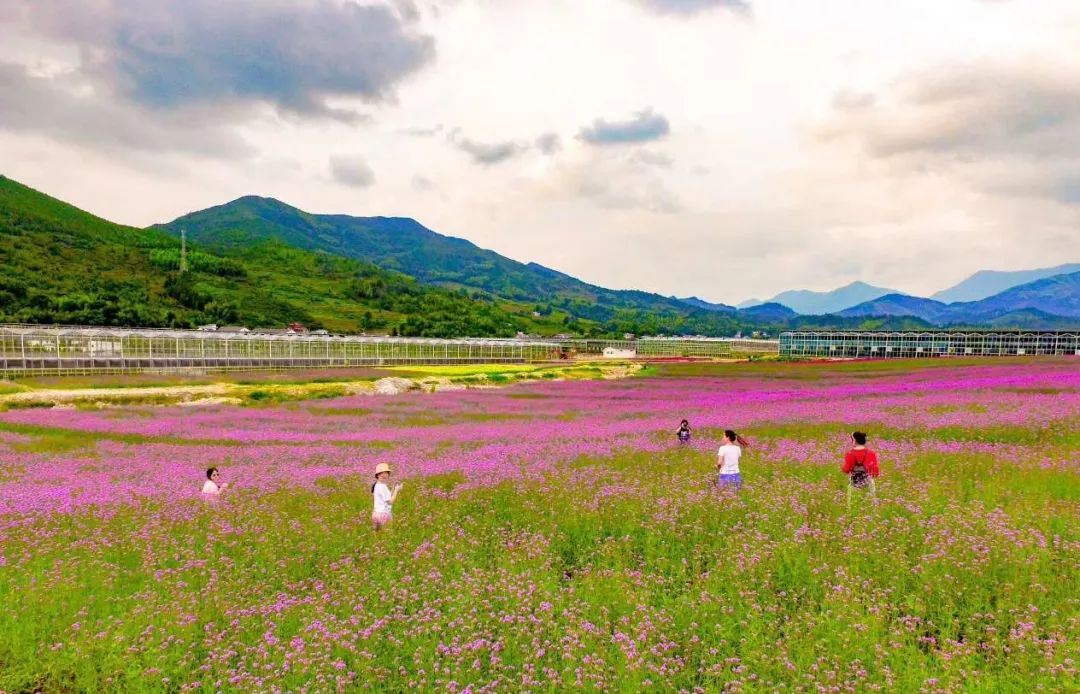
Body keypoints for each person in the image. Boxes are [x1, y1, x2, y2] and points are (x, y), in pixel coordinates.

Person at [843, 432, 880, 508]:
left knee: (851, 501)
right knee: (872, 499)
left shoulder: (850, 454)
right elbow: (875, 470)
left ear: (854, 441)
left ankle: (850, 512)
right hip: (868, 480)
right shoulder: (871, 453)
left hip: (854, 481)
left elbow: (846, 469)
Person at [371, 463, 403, 530]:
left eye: (387, 472)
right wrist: (396, 490)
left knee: (377, 536)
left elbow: (387, 496)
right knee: (387, 536)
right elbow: (390, 502)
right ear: (379, 475)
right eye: (384, 473)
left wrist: (393, 488)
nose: (387, 474)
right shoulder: (382, 487)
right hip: (384, 514)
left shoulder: (377, 485)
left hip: (375, 514)